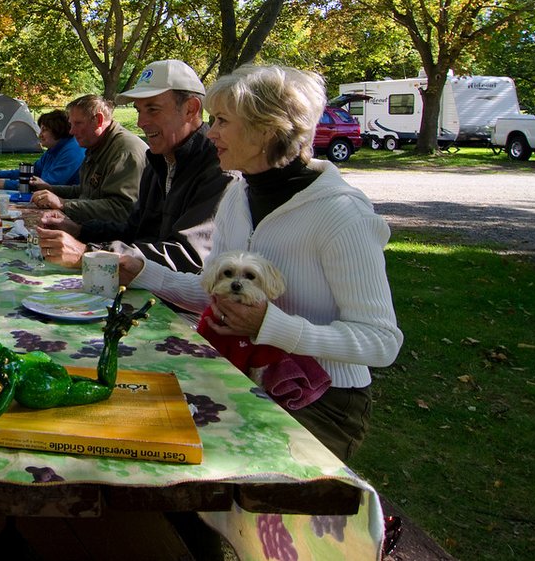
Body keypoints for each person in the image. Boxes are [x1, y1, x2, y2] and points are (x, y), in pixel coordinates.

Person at [121, 64, 403, 460]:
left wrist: (272, 327)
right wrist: (143, 271)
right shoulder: (238, 194)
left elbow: (381, 342)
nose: (211, 133)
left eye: (221, 121)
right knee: (135, 416)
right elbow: (214, 293)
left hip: (323, 400)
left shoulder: (341, 213)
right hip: (243, 375)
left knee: (190, 458)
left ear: (267, 128)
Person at [36, 60, 231, 275]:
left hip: (182, 305)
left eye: (152, 110)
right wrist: (80, 230)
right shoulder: (159, 161)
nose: (140, 122)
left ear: (190, 109)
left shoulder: (219, 167)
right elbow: (134, 229)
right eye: (139, 111)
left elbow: (188, 257)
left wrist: (90, 254)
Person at [27, 94, 147, 224]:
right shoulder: (97, 145)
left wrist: (63, 204)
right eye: (71, 124)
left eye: (78, 124)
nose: (71, 131)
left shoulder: (124, 151)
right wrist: (50, 189)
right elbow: (86, 190)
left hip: (117, 241)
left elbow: (121, 209)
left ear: (99, 120)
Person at [0, 109, 85, 191]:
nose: (40, 135)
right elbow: (31, 171)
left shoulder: (72, 152)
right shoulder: (53, 150)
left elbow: (48, 184)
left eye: (44, 130)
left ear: (57, 130)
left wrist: (5, 184)